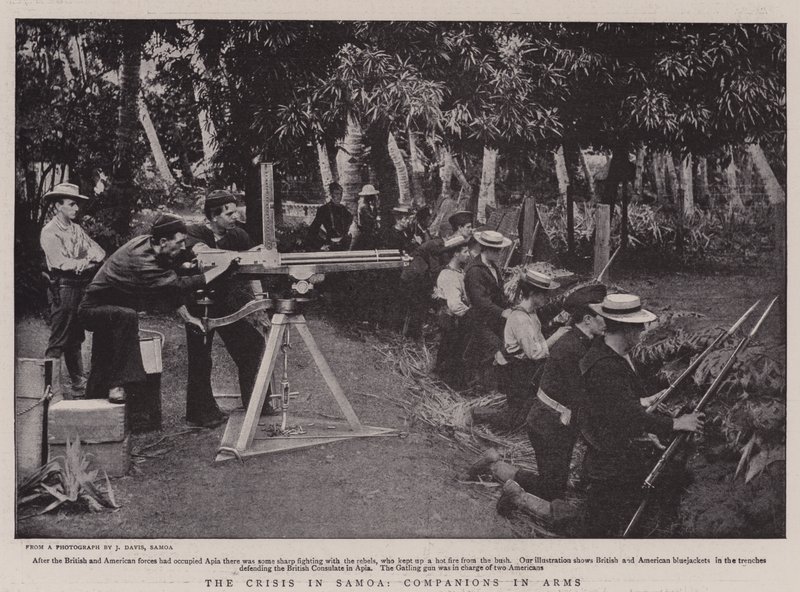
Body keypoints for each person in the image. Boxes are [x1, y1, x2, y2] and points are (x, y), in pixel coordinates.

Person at [469, 285, 608, 525]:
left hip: (553, 423)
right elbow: (581, 396)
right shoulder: (571, 348)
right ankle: (504, 480)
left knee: (553, 486)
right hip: (549, 425)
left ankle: (496, 465)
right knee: (552, 491)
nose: (607, 323)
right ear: (587, 320)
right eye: (602, 317)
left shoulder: (580, 341)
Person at [577, 293, 704, 537]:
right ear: (626, 329)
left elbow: (615, 408)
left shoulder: (608, 354)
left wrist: (644, 433)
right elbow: (630, 416)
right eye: (638, 327)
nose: (642, 333)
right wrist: (677, 423)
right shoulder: (606, 367)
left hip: (608, 449)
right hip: (608, 461)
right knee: (597, 529)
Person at [78, 214, 237, 406]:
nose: (183, 247)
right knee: (127, 316)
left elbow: (168, 283)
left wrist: (188, 317)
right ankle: (121, 384)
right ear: (163, 241)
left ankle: (92, 405)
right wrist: (218, 270)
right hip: (93, 310)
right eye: (179, 242)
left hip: (112, 310)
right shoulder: (142, 261)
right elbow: (176, 286)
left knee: (102, 358)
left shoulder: (148, 243)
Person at [183, 190, 274, 428]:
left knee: (252, 345)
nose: (235, 217)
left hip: (225, 301)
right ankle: (201, 414)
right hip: (198, 302)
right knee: (201, 358)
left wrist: (259, 304)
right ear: (214, 215)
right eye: (229, 213)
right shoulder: (195, 233)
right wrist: (241, 255)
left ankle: (257, 404)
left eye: (235, 212)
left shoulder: (238, 235)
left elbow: (253, 271)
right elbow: (205, 255)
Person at [39, 183, 106, 393]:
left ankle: (78, 381)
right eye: (71, 204)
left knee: (76, 336)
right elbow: (60, 262)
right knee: (59, 337)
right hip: (62, 286)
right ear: (58, 206)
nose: (76, 208)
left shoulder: (76, 229)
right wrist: (83, 262)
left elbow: (99, 253)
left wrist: (83, 262)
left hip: (80, 286)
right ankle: (48, 387)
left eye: (76, 204)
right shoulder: (49, 232)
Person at [494, 269, 569, 420]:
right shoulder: (520, 318)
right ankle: (476, 415)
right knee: (514, 418)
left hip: (525, 367)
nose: (547, 298)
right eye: (544, 294)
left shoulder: (531, 313)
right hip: (515, 370)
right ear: (533, 294)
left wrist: (556, 323)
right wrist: (557, 335)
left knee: (525, 411)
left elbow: (537, 337)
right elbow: (534, 353)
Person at [463, 230, 513, 388]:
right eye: (496, 250)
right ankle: (477, 387)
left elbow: (498, 293)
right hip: (479, 320)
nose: (499, 253)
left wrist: (509, 306)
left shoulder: (492, 267)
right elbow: (480, 301)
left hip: (493, 318)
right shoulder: (475, 271)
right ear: (486, 249)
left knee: (493, 351)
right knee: (490, 349)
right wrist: (502, 312)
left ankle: (488, 384)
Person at [432, 235, 472, 388]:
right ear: (456, 253)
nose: (468, 254)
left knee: (451, 348)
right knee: (451, 349)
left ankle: (446, 378)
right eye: (465, 252)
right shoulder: (448, 275)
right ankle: (446, 382)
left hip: (455, 318)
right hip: (451, 319)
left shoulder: (459, 272)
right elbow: (455, 304)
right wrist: (470, 314)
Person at [306, 182, 352, 251]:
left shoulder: (344, 209)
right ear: (331, 194)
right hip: (330, 245)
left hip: (344, 245)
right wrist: (320, 245)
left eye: (341, 194)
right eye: (336, 194)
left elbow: (350, 224)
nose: (339, 196)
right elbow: (313, 230)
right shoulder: (324, 209)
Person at [349, 184, 380, 250]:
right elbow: (371, 219)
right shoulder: (364, 206)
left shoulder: (367, 205)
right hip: (361, 231)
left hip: (364, 230)